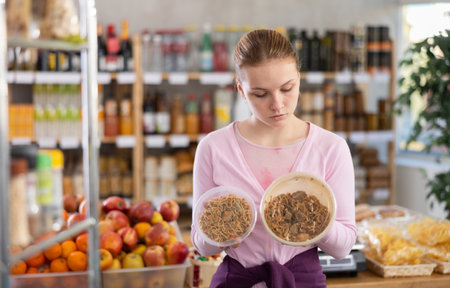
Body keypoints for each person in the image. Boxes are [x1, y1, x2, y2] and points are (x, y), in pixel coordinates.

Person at [191, 29, 356, 288]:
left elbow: (343, 246)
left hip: (301, 281)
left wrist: (313, 217)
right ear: (241, 91)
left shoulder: (330, 148)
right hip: (237, 281)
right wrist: (228, 231)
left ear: (299, 80)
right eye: (260, 94)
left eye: (287, 88)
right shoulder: (213, 147)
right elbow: (200, 242)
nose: (278, 104)